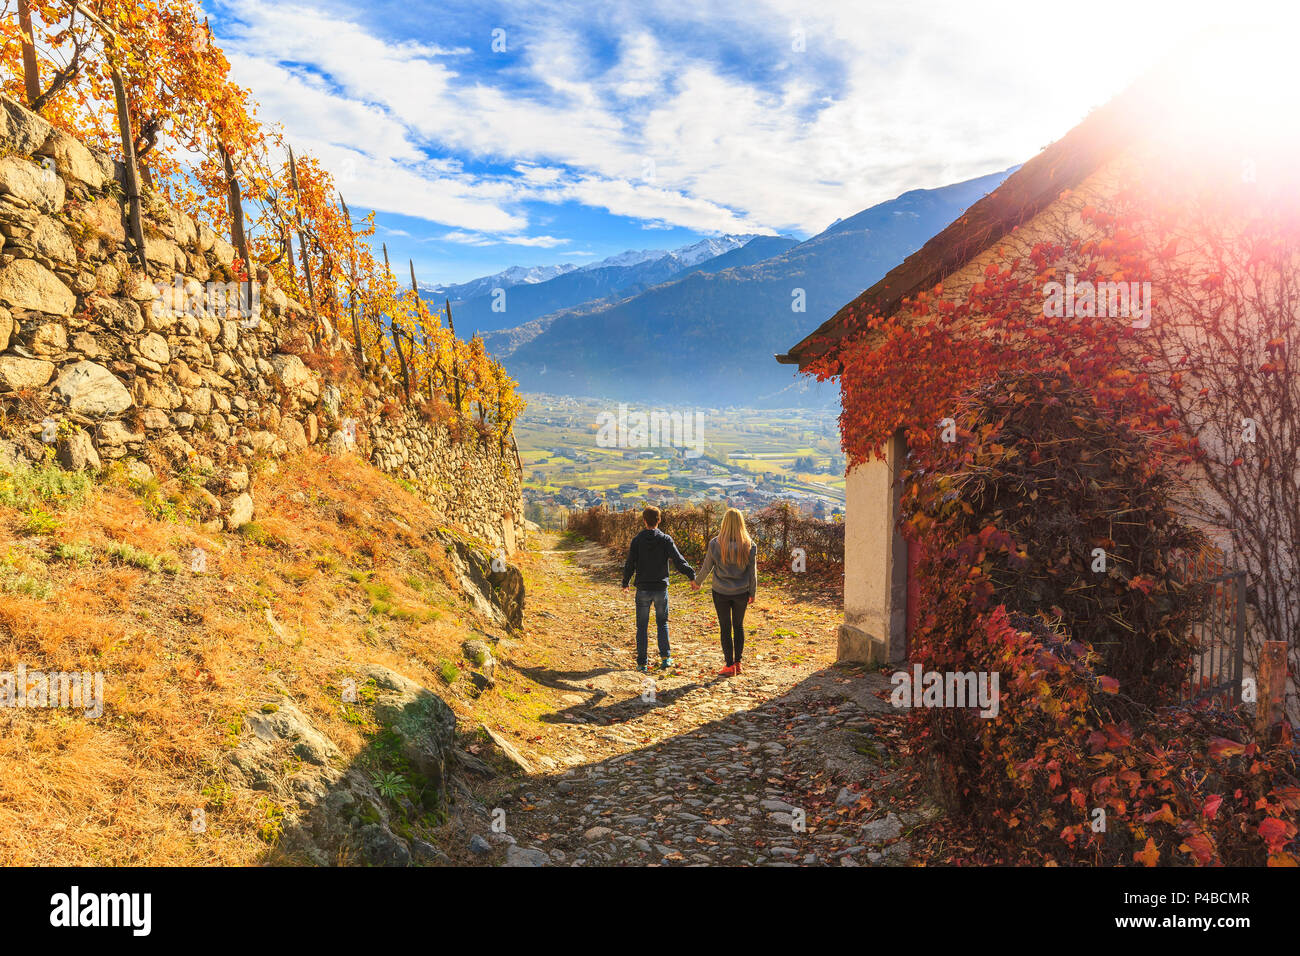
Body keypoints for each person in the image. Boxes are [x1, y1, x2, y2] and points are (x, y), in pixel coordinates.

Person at [621, 506, 695, 673]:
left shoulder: (637, 540)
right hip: (661, 589)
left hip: (643, 589)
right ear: (659, 520)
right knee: (662, 623)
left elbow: (630, 564)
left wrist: (625, 582)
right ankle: (666, 658)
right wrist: (691, 575)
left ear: (644, 521)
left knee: (642, 626)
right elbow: (678, 560)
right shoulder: (665, 540)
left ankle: (642, 662)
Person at [691, 508, 757, 676]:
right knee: (739, 626)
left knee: (725, 627)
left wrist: (697, 582)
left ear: (724, 523)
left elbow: (707, 567)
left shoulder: (715, 543)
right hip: (741, 592)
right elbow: (752, 572)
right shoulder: (749, 544)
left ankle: (729, 666)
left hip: (720, 591)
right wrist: (752, 592)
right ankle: (738, 662)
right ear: (741, 523)